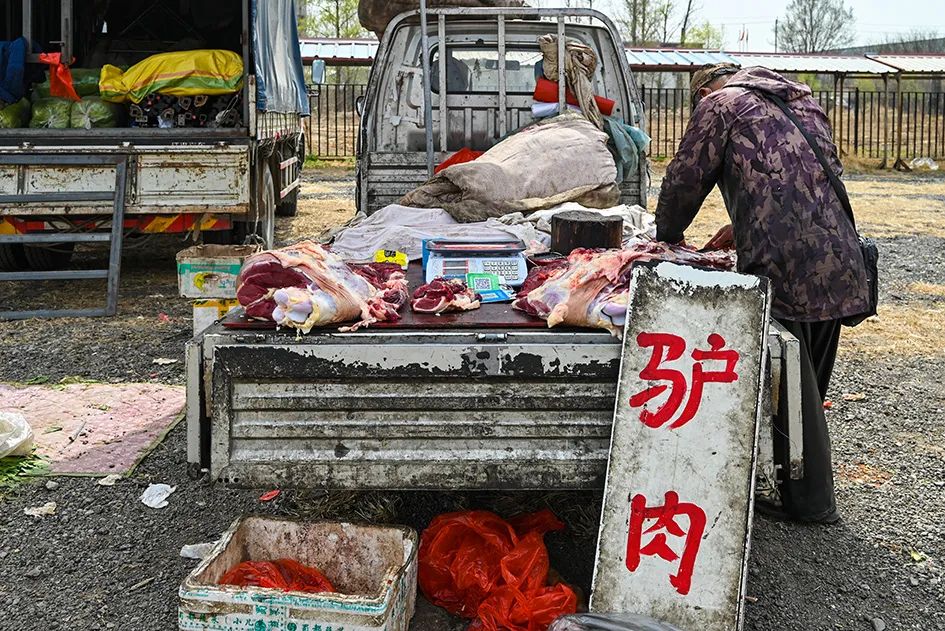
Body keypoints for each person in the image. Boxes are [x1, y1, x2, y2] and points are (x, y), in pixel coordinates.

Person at [655, 63, 870, 524]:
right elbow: (803, 178)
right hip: (837, 255)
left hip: (785, 264)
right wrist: (745, 221)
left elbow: (684, 180)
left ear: (706, 90)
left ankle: (812, 503)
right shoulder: (798, 99)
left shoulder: (721, 105)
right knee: (807, 372)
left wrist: (665, 235)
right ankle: (793, 478)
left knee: (793, 383)